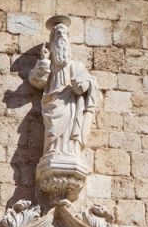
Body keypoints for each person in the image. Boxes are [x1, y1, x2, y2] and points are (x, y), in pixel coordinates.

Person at [29, 18, 97, 161]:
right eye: (57, 35)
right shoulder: (48, 64)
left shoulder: (76, 66)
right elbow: (36, 81)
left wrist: (82, 85)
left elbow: (87, 83)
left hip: (70, 105)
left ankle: (71, 152)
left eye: (63, 35)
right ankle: (53, 152)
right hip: (52, 103)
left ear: (68, 42)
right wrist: (44, 61)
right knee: (52, 134)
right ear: (52, 42)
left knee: (69, 131)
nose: (61, 38)